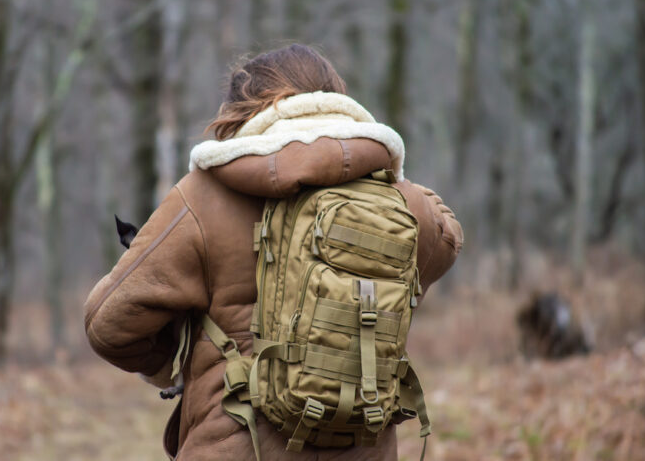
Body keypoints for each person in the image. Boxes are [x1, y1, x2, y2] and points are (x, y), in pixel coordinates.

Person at [84, 44, 463, 460]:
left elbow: (107, 323)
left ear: (241, 110)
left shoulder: (202, 198)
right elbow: (448, 240)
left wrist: (173, 359)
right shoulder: (403, 205)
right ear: (335, 100)